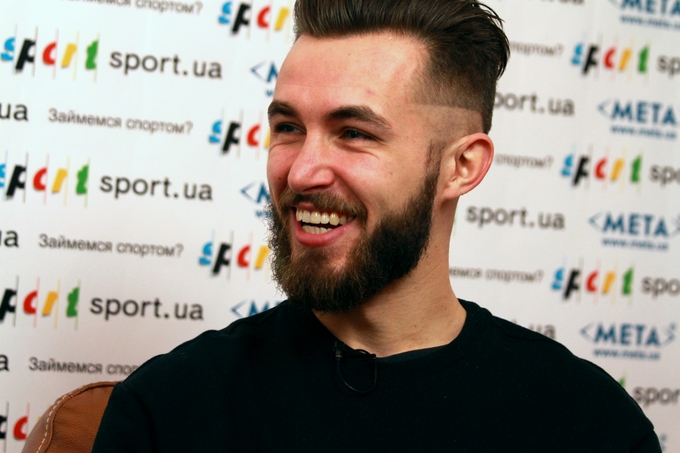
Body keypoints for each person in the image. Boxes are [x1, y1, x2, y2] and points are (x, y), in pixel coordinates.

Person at [92, 0, 661, 451]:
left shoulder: (588, 423)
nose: (303, 172)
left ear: (461, 166)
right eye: (289, 127)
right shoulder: (168, 409)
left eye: (354, 133)